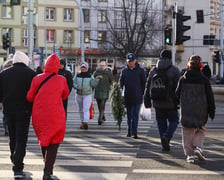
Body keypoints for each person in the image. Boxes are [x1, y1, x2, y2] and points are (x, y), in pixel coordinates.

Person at [26, 54, 69, 180]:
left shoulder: (37, 79)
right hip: (56, 115)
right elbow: (65, 94)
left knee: (44, 139)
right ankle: (47, 171)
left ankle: (47, 168)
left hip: (39, 114)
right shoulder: (61, 79)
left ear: (46, 64)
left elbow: (29, 97)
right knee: (54, 142)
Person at [0, 51, 36, 178]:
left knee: (12, 137)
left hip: (8, 110)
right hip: (24, 110)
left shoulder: (4, 74)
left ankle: (13, 157)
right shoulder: (31, 74)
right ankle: (18, 166)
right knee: (21, 138)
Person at [175, 55, 215, 163]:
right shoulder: (204, 80)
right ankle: (198, 147)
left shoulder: (183, 79)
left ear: (189, 65)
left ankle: (190, 156)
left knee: (187, 133)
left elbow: (177, 94)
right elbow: (210, 96)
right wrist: (212, 111)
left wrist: (179, 103)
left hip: (187, 110)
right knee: (201, 130)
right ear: (200, 65)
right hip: (201, 110)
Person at [144, 49, 180, 151]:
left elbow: (148, 86)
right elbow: (179, 88)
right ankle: (167, 137)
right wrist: (179, 101)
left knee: (161, 123)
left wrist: (146, 100)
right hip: (170, 102)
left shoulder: (153, 70)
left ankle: (164, 142)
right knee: (174, 121)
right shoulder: (174, 70)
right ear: (170, 58)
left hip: (157, 102)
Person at [118, 53, 146, 139]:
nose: (130, 63)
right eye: (128, 61)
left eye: (131, 61)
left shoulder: (140, 71)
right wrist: (119, 85)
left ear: (135, 61)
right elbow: (121, 82)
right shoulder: (124, 71)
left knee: (135, 115)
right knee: (129, 115)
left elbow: (144, 83)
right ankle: (129, 131)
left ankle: (134, 132)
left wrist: (143, 94)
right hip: (128, 96)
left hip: (138, 96)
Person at [73, 62, 100, 129]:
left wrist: (97, 79)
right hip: (78, 94)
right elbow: (73, 83)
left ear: (86, 68)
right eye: (82, 67)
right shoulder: (77, 75)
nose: (83, 69)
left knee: (86, 109)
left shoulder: (90, 76)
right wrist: (77, 87)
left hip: (87, 94)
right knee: (80, 109)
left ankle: (86, 122)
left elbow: (93, 84)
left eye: (84, 67)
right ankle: (82, 121)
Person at [93, 61, 114, 125]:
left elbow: (112, 81)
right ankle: (103, 116)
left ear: (106, 66)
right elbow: (93, 80)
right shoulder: (96, 72)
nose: (102, 66)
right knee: (99, 106)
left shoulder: (108, 73)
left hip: (105, 91)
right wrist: (97, 77)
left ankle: (100, 119)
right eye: (101, 65)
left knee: (102, 105)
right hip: (97, 91)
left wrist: (114, 87)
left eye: (103, 65)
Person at [0, 53, 14, 136]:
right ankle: (7, 129)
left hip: (5, 97)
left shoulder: (3, 73)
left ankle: (7, 129)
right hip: (10, 97)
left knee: (6, 115)